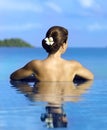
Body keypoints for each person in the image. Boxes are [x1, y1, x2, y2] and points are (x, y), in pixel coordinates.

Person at [10, 26, 94, 82]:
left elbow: (13, 77)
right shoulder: (73, 66)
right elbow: (90, 77)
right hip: (66, 95)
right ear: (63, 45)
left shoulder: (35, 65)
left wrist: (32, 81)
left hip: (42, 97)